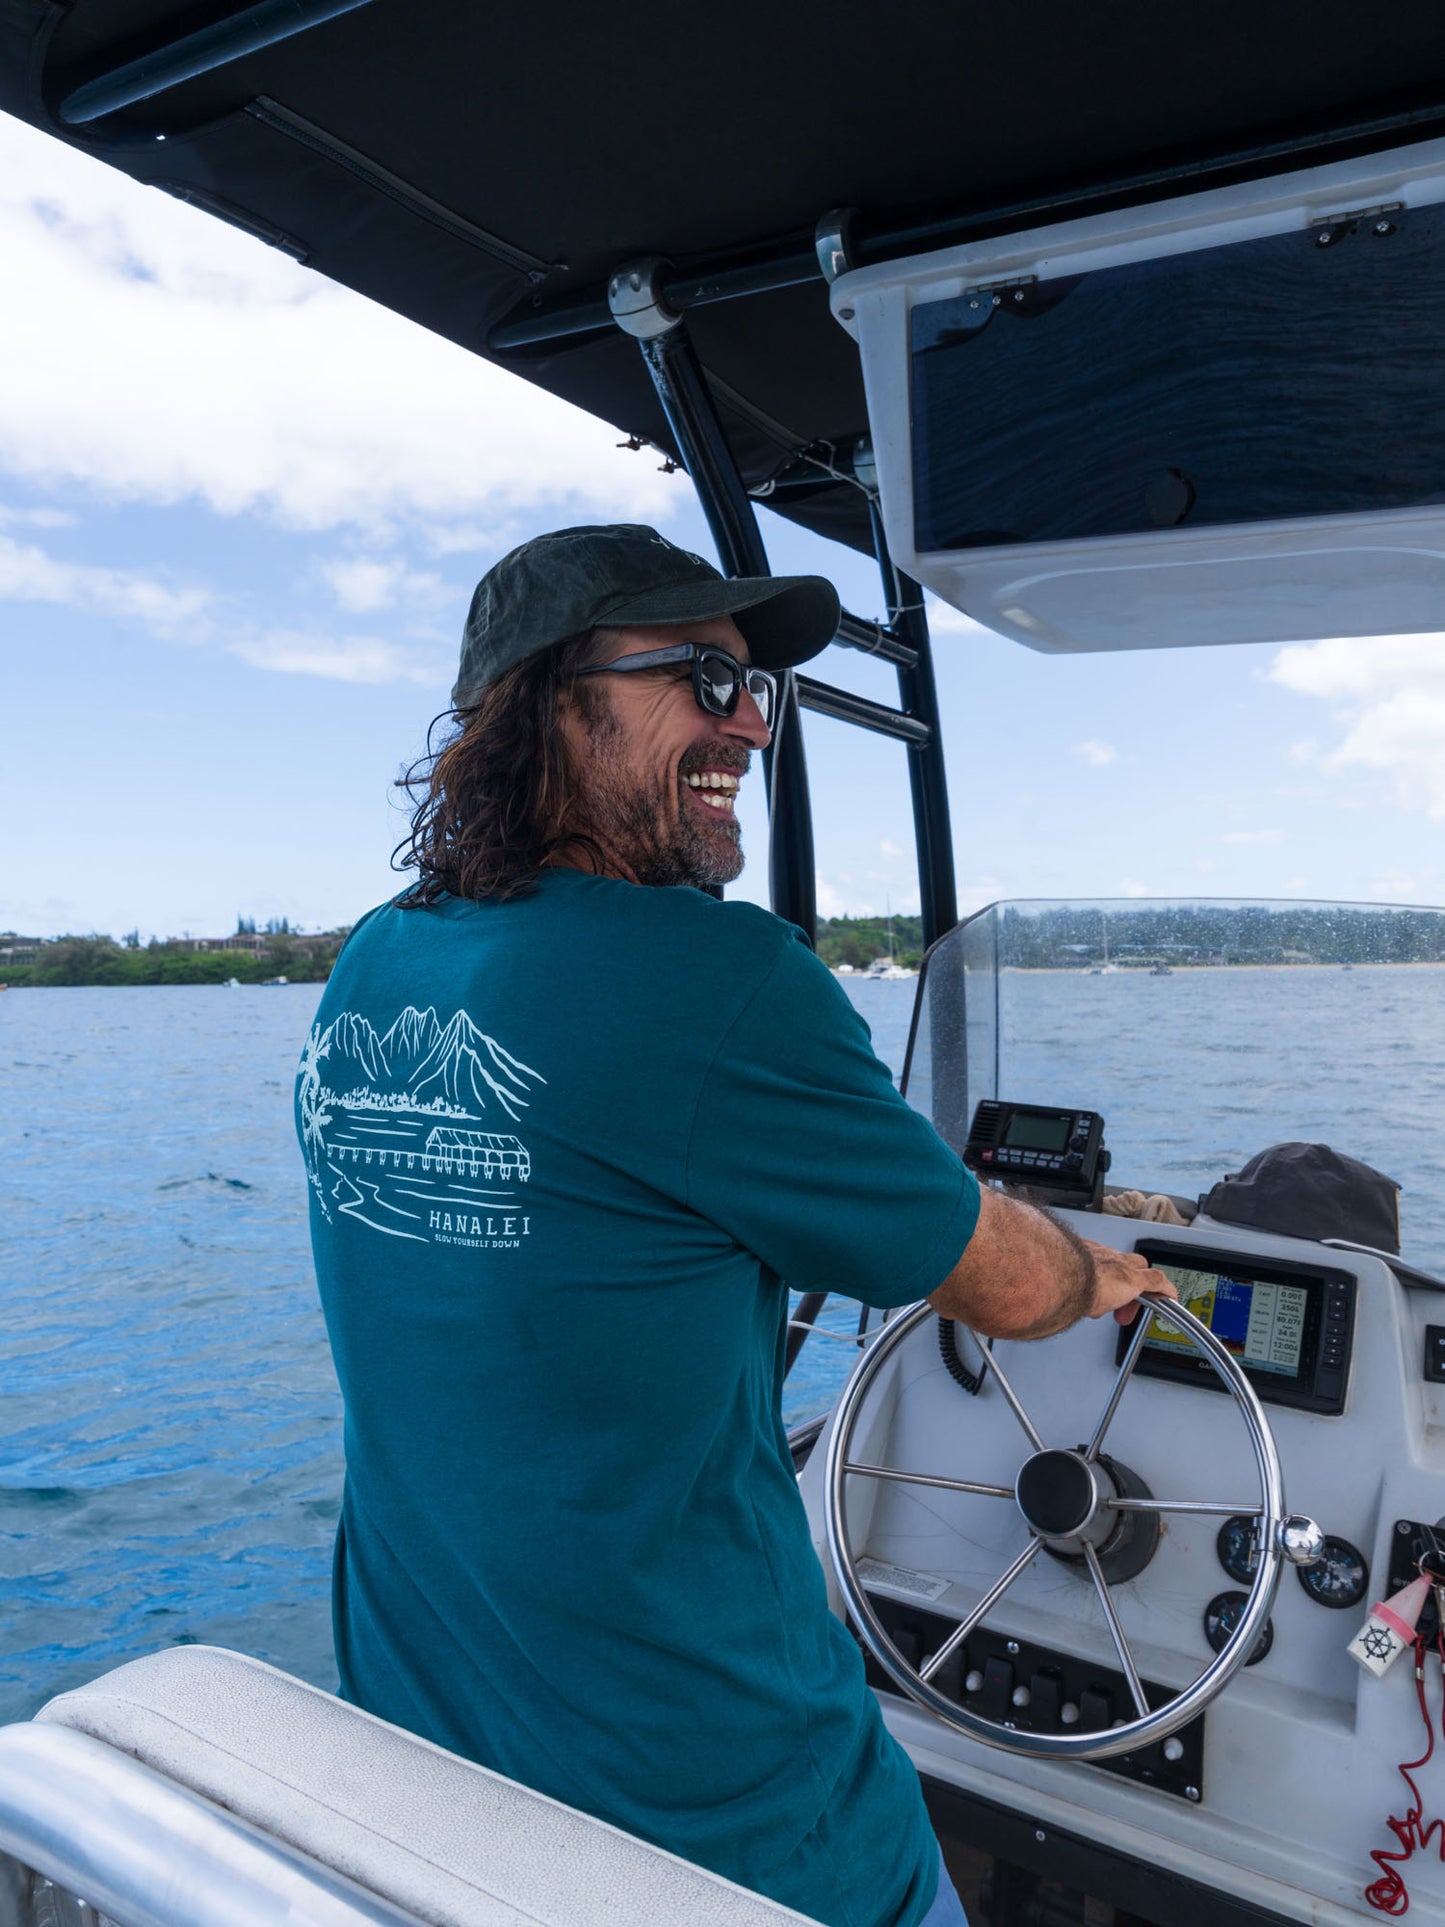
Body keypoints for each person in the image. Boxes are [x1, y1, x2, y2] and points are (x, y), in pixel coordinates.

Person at [295, 523, 1173, 1927]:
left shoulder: (377, 961)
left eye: (760, 689)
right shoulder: (713, 981)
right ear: (541, 705)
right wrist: (1095, 1267)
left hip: (429, 1780)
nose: (751, 722)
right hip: (720, 1828)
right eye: (702, 679)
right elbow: (1004, 1287)